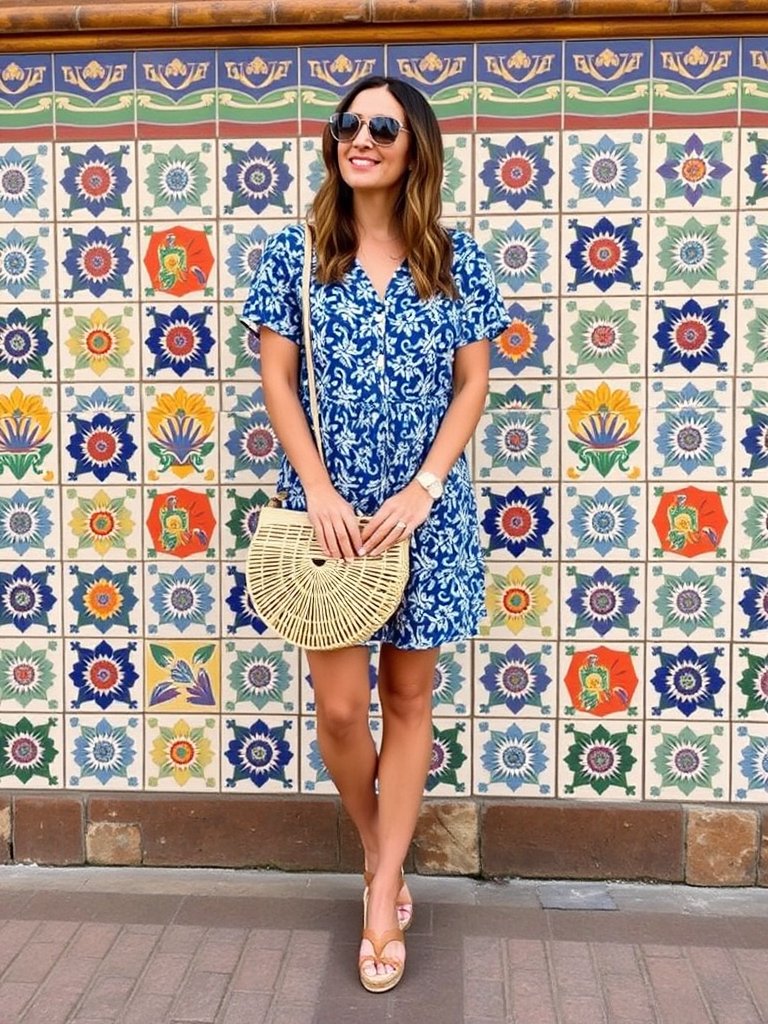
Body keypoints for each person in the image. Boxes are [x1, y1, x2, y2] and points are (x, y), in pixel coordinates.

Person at [241, 74, 508, 993]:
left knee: (406, 697)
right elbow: (279, 381)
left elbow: (472, 383)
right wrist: (316, 489)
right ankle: (378, 853)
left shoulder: (455, 258)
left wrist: (427, 487)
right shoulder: (298, 252)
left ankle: (384, 887)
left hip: (422, 516)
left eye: (381, 127)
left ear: (413, 146)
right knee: (343, 710)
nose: (360, 137)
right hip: (330, 516)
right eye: (349, 124)